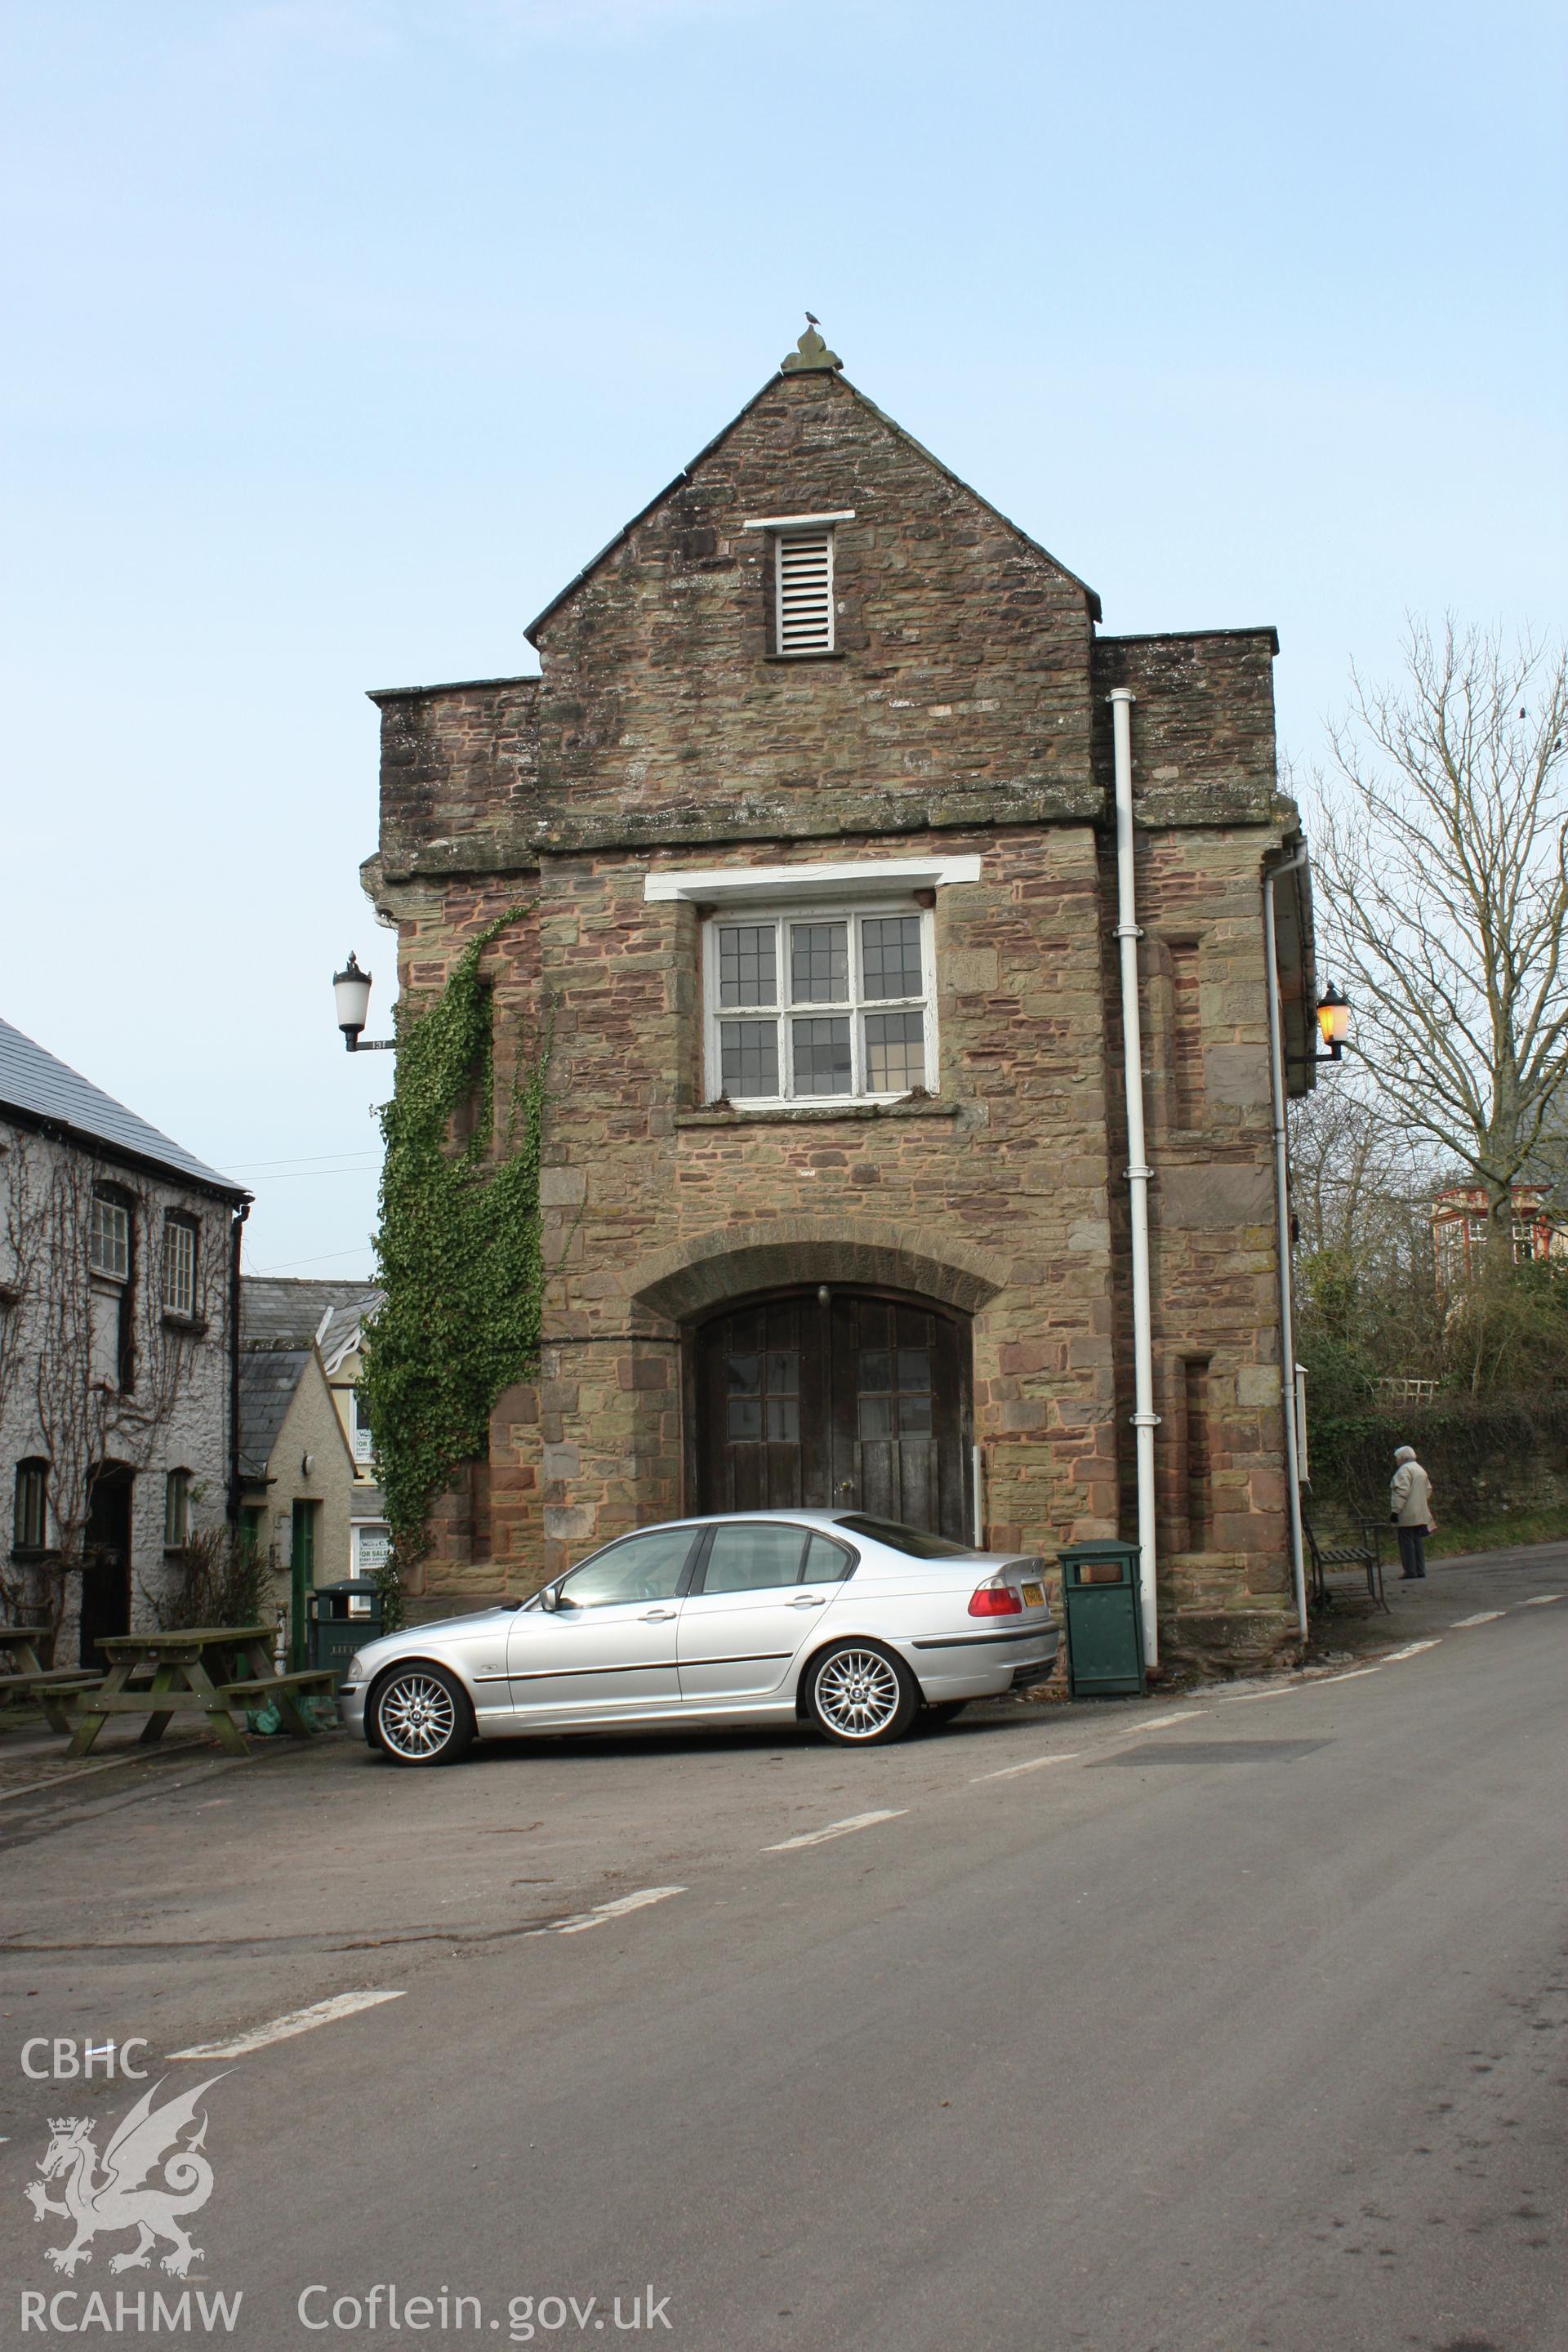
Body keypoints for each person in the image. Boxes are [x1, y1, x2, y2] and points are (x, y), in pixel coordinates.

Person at [1390, 1445, 1435, 1579]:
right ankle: (1420, 1570)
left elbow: (1401, 1492)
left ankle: (1410, 1571)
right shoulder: (1420, 1469)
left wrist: (1395, 1511)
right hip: (1420, 1512)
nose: (1396, 1461)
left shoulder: (1404, 1471)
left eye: (1397, 1458)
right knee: (1417, 1541)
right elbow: (1428, 1490)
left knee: (1406, 1542)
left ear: (1402, 1458)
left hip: (1407, 1513)